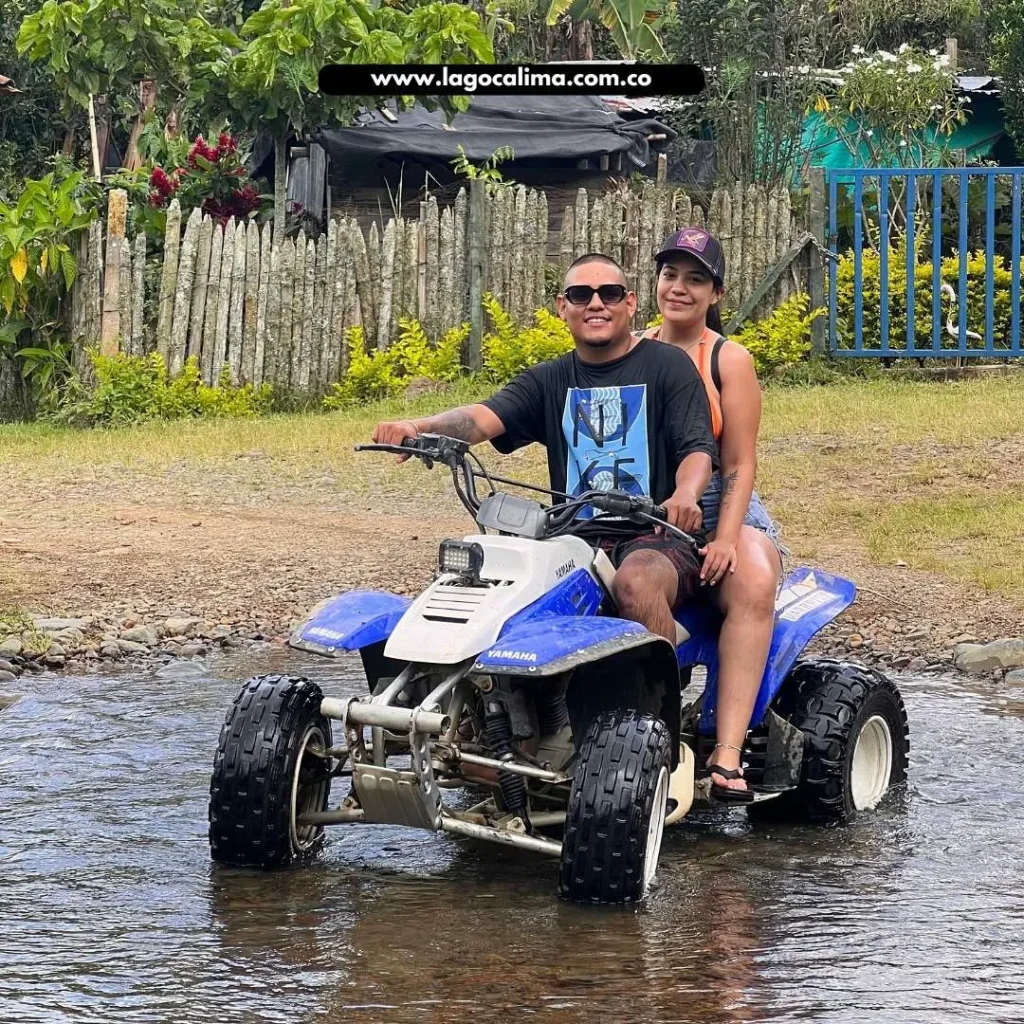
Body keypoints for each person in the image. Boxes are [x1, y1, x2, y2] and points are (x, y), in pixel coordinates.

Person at [372, 252, 719, 647]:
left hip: (658, 535)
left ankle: (658, 705)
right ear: (562, 307)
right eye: (579, 294)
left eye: (609, 293)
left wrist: (685, 495)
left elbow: (696, 449)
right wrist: (418, 427)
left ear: (630, 302)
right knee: (495, 583)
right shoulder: (548, 379)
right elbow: (481, 418)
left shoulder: (668, 366)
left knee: (636, 582)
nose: (595, 304)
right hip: (573, 535)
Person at [635, 226, 786, 801]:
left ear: (715, 293)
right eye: (670, 275)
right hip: (647, 511)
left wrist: (724, 539)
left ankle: (726, 751)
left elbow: (741, 465)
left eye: (695, 279)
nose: (679, 288)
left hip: (726, 508)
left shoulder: (728, 359)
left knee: (749, 577)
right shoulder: (631, 346)